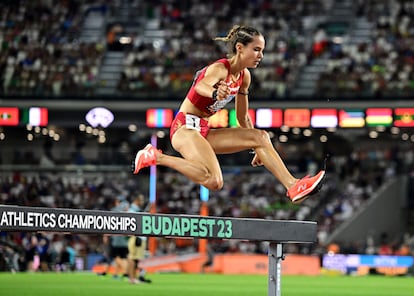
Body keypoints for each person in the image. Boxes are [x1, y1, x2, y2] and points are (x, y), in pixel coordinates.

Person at [133, 25, 325, 204]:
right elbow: (201, 86)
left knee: (261, 136)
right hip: (184, 128)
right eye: (256, 50)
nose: (261, 55)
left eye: (262, 50)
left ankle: (293, 185)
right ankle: (157, 157)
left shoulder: (244, 77)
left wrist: (258, 147)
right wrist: (215, 93)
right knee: (214, 181)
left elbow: (242, 117)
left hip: (203, 130)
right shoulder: (219, 68)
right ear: (240, 48)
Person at [126, 193, 151, 284]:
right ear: (136, 200)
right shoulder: (132, 210)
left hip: (138, 238)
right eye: (141, 199)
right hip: (136, 238)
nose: (142, 201)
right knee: (133, 258)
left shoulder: (137, 210)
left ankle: (133, 277)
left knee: (135, 259)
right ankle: (132, 278)